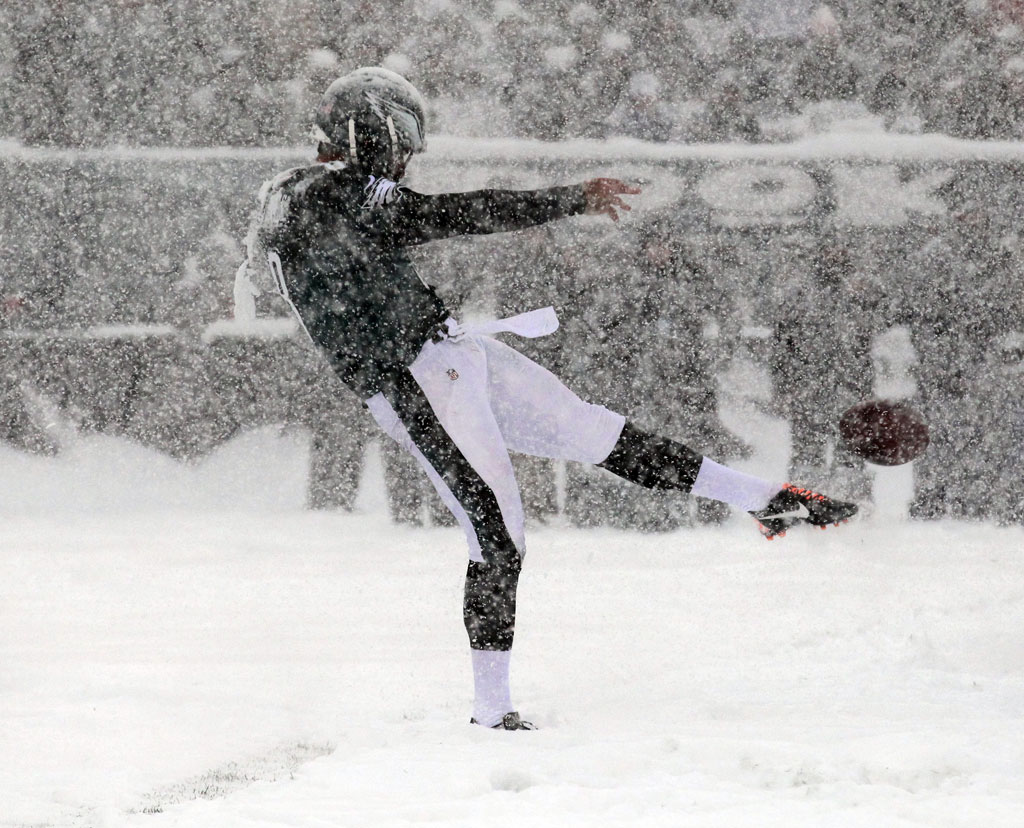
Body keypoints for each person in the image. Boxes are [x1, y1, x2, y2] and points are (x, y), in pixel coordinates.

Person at [235, 67, 858, 731]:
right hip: (413, 378)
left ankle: (764, 500)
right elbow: (451, 214)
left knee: (596, 433)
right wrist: (568, 199)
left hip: (446, 351)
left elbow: (270, 270)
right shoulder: (332, 195)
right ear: (373, 132)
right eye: (404, 137)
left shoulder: (291, 194)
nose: (410, 154)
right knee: (496, 536)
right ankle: (491, 712)